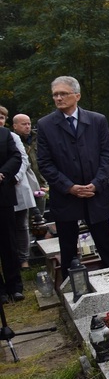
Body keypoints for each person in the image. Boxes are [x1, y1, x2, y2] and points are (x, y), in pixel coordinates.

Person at [36, 76, 109, 275]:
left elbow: (107, 155)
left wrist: (97, 183)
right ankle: (71, 286)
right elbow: (45, 163)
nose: (58, 98)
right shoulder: (45, 125)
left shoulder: (97, 120)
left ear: (77, 96)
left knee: (105, 245)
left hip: (95, 194)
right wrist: (69, 187)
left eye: (63, 94)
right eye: (55, 95)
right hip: (65, 197)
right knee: (68, 250)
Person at [0, 107, 34, 270]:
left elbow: (22, 159)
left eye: (2, 118)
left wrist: (13, 178)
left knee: (21, 224)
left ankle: (23, 258)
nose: (0, 121)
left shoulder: (11, 136)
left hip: (15, 184)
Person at [0, 115, 24, 302]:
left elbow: (16, 157)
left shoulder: (4, 134)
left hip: (3, 196)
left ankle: (14, 286)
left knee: (9, 242)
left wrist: (3, 173)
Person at [11, 113, 46, 223]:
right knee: (24, 219)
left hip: (40, 184)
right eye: (23, 124)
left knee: (39, 219)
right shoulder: (12, 141)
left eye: (29, 124)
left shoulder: (38, 139)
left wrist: (45, 182)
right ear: (15, 126)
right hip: (23, 184)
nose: (27, 126)